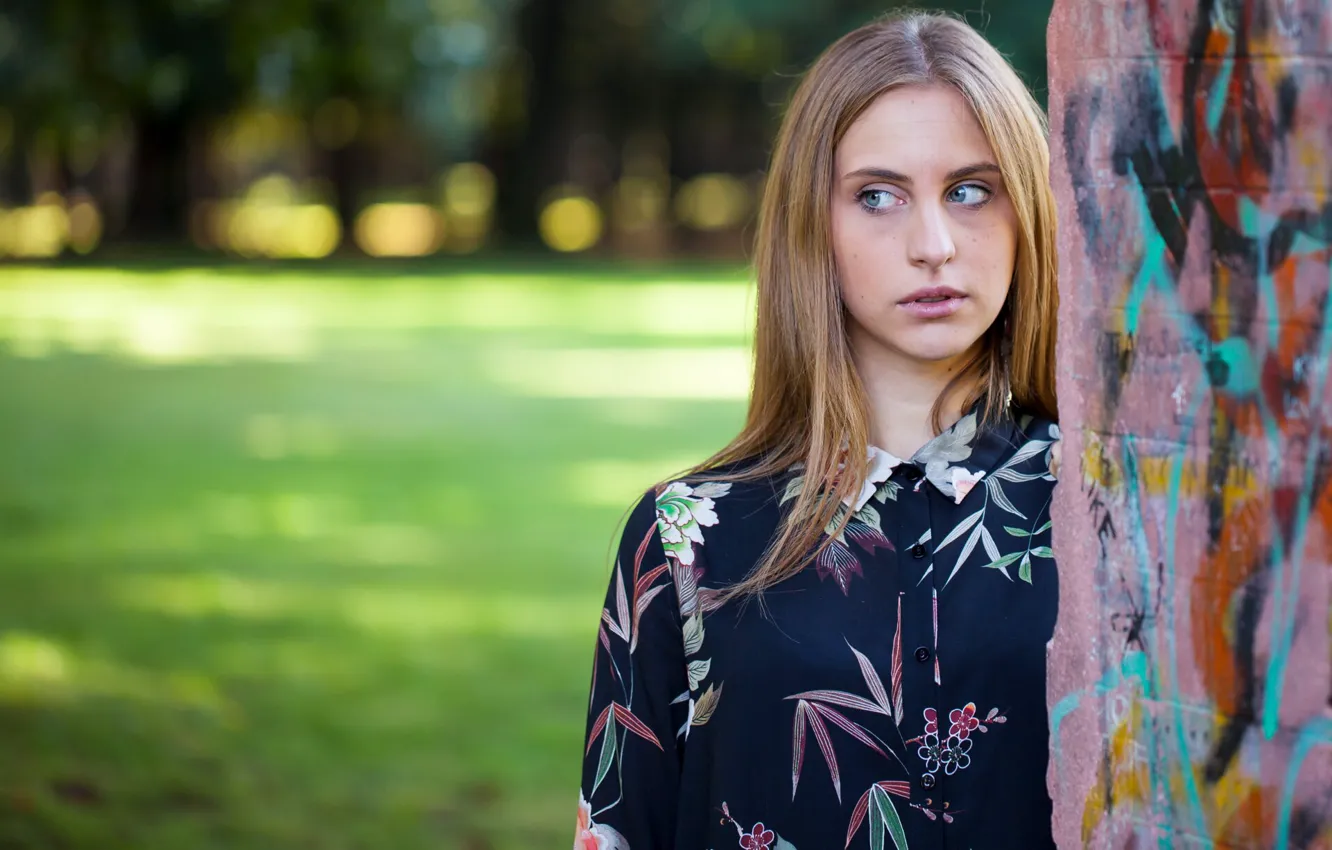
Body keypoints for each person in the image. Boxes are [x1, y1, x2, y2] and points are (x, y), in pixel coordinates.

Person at [574, 11, 1061, 850]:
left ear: (1029, 211)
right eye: (877, 196)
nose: (933, 244)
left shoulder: (1114, 516)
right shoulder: (689, 542)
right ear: (813, 226)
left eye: (970, 190)